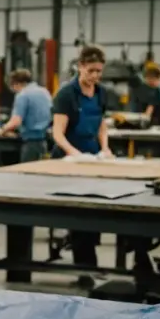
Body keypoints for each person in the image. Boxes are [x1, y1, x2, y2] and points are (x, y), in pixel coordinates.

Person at [50, 45, 112, 279]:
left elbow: (101, 125)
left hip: (93, 159)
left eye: (99, 71)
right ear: (80, 67)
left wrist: (105, 148)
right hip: (68, 161)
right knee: (79, 216)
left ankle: (89, 265)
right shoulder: (66, 94)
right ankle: (85, 270)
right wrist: (74, 154)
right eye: (91, 70)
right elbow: (58, 133)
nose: (95, 76)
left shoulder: (101, 93)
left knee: (94, 215)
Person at [0, 69, 52, 163]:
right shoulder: (45, 92)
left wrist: (3, 129)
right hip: (44, 142)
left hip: (30, 143)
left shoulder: (22, 95)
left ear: (16, 83)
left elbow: (16, 121)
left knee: (27, 174)